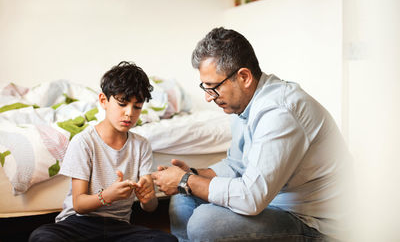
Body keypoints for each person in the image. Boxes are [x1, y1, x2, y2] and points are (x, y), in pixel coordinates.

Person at [151, 27, 352, 242]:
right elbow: (236, 165)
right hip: (273, 202)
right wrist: (192, 173)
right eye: (205, 88)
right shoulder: (243, 104)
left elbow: (251, 198)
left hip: (312, 220)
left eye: (213, 87)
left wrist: (187, 180)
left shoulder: (280, 112)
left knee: (205, 223)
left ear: (244, 77)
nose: (209, 98)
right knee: (183, 200)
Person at [30, 61, 177, 242]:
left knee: (166, 240)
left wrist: (148, 198)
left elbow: (150, 208)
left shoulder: (141, 145)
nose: (129, 113)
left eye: (137, 106)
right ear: (103, 101)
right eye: (122, 103)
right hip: (78, 224)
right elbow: (79, 204)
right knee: (43, 237)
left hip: (119, 227)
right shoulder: (84, 142)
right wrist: (108, 196)